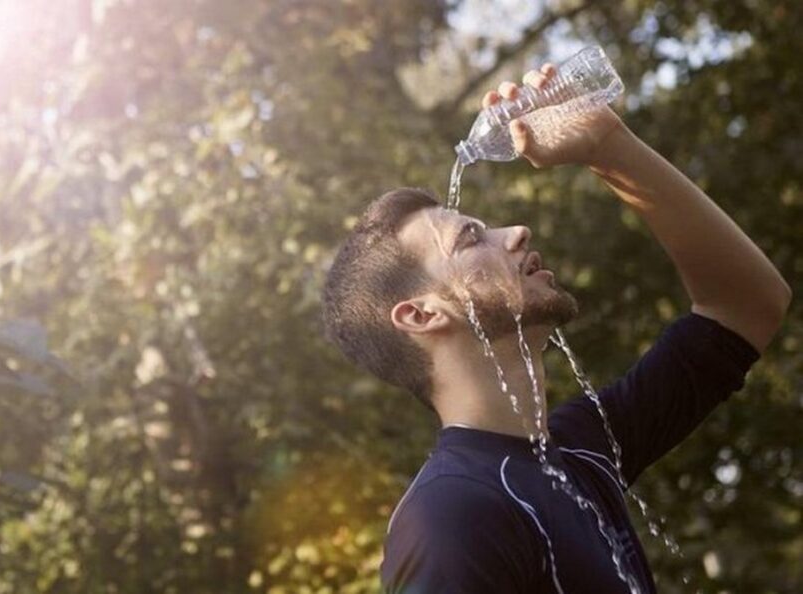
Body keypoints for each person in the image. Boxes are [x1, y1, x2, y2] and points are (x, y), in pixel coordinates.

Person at [321, 63, 792, 593]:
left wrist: (608, 145)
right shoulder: (450, 516)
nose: (517, 232)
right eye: (472, 240)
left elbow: (747, 305)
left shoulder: (585, 446)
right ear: (422, 314)